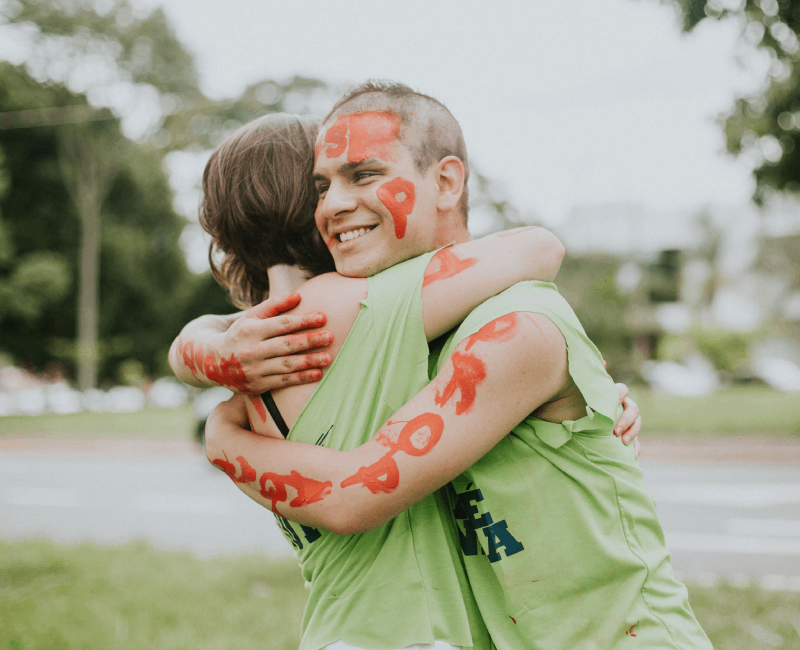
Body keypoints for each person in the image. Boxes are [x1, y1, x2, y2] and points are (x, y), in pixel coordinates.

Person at [195, 81, 710, 649]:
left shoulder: (515, 326)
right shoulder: (390, 337)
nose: (333, 204)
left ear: (445, 182)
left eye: (363, 175)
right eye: (320, 186)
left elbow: (354, 493)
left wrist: (222, 436)